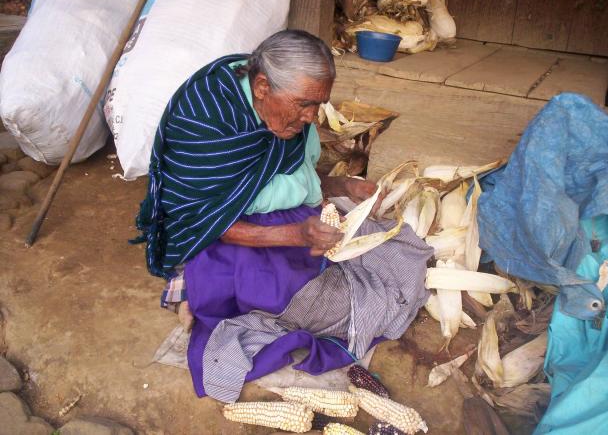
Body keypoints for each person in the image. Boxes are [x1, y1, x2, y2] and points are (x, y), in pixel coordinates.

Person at [135, 30, 431, 402]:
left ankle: (195, 292)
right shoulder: (206, 120)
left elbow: (293, 176)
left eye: (318, 104)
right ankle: (196, 285)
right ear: (261, 87)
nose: (311, 117)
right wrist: (296, 235)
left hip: (287, 220)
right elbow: (207, 218)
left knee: (395, 247)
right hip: (222, 234)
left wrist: (341, 186)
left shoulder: (282, 108)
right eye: (304, 104)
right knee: (336, 308)